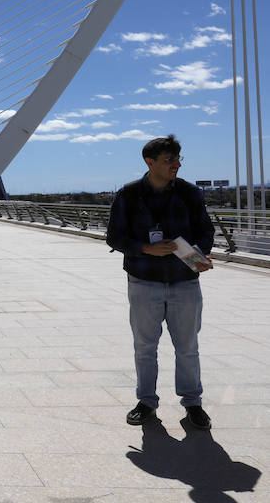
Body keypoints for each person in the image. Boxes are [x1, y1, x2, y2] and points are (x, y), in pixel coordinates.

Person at [106, 135, 214, 430]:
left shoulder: (191, 194)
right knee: (144, 346)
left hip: (184, 281)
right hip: (144, 281)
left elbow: (206, 232)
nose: (176, 165)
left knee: (188, 346)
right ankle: (146, 402)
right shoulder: (128, 195)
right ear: (149, 162)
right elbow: (113, 236)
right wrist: (145, 248)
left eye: (178, 159)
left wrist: (200, 255)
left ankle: (193, 404)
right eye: (169, 160)